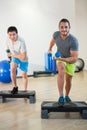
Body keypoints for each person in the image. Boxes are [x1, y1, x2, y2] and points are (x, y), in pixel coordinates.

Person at [48, 18, 79, 105]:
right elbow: (52, 41)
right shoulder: (56, 35)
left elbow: (74, 58)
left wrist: (62, 59)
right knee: (61, 70)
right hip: (60, 58)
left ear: (69, 28)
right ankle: (61, 96)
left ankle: (67, 95)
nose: (64, 29)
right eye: (62, 27)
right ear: (59, 28)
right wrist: (50, 49)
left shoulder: (73, 41)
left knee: (68, 79)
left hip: (70, 60)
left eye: (66, 27)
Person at [6, 26, 28, 94]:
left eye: (14, 34)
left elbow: (23, 57)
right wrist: (8, 56)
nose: (12, 36)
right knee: (12, 69)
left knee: (24, 75)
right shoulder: (7, 39)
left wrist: (11, 55)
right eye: (10, 35)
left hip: (23, 58)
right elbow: (8, 49)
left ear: (17, 34)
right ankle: (15, 87)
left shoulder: (21, 41)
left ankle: (25, 90)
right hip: (15, 57)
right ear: (8, 34)